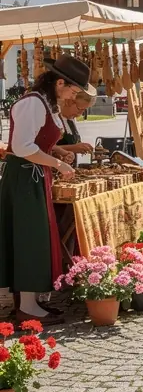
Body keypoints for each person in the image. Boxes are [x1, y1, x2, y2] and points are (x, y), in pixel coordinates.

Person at [0, 54, 90, 323]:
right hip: (24, 179)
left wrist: (57, 154)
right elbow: (22, 147)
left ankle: (32, 301)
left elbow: (39, 141)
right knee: (29, 238)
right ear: (59, 83)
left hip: (34, 177)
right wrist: (58, 164)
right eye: (73, 89)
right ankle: (27, 307)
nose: (73, 95)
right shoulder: (33, 104)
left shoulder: (46, 104)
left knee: (34, 237)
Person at [55, 90, 96, 168]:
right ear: (68, 101)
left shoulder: (71, 120)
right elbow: (44, 149)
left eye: (84, 110)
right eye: (79, 109)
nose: (80, 114)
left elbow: (75, 144)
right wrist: (73, 148)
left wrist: (82, 147)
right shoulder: (54, 120)